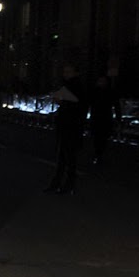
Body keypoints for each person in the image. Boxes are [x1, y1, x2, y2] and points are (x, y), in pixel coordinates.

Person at [47, 63, 87, 193]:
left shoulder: (77, 87)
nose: (66, 74)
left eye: (69, 72)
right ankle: (60, 183)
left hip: (71, 125)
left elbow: (77, 107)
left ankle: (66, 184)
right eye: (65, 72)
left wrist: (62, 101)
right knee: (64, 156)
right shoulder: (69, 86)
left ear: (76, 73)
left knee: (68, 157)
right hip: (67, 125)